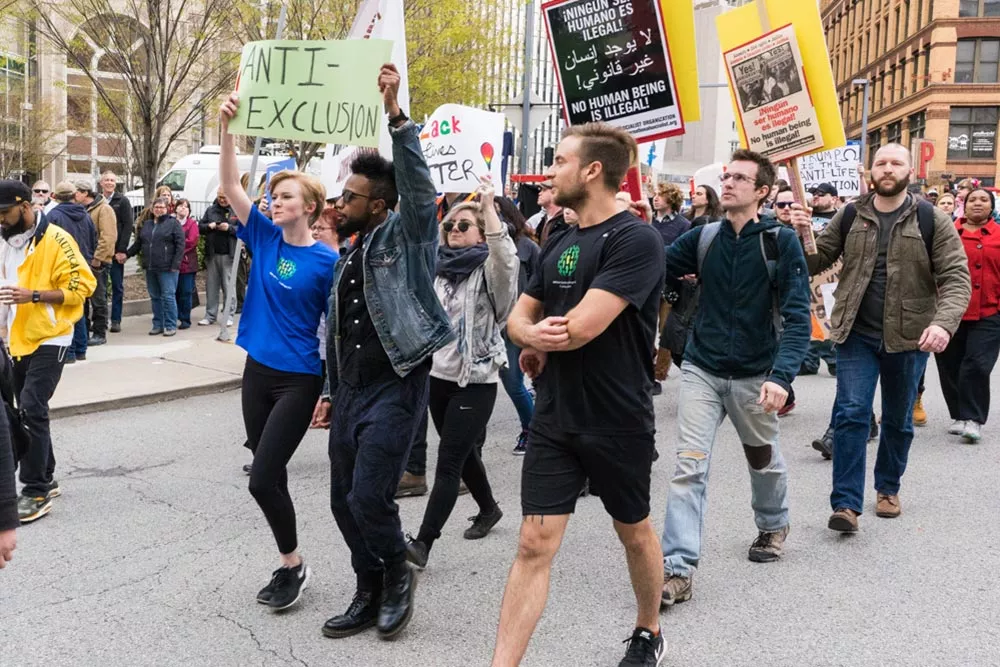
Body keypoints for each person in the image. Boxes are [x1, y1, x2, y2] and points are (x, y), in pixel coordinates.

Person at [492, 123, 667, 667]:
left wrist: (541, 334)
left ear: (593, 171)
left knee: (633, 532)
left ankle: (648, 629)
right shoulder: (560, 239)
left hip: (617, 419)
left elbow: (581, 327)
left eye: (561, 161)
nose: (550, 172)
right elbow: (521, 314)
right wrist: (527, 335)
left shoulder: (637, 240)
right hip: (555, 416)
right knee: (532, 544)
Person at [311, 63, 452, 642]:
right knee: (344, 500)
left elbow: (420, 189)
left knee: (371, 494)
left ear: (381, 203)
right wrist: (328, 391)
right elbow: (337, 329)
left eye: (351, 196)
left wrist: (396, 117)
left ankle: (398, 572)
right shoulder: (349, 254)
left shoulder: (408, 236)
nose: (340, 202)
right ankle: (367, 587)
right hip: (350, 390)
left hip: (397, 382)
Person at [789, 143, 971, 532]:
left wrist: (943, 323)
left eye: (896, 163)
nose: (887, 169)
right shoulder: (851, 213)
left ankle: (888, 487)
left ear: (910, 170)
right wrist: (802, 234)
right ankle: (846, 505)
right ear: (870, 171)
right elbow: (814, 261)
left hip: (909, 337)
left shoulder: (931, 218)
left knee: (898, 420)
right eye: (881, 163)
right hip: (856, 332)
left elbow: (956, 278)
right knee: (851, 414)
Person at [659, 151, 811, 608]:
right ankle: (678, 568)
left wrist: (781, 377)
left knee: (763, 460)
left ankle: (772, 523)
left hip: (754, 375)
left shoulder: (780, 242)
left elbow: (799, 317)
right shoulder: (702, 237)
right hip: (702, 371)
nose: (728, 183)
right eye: (727, 176)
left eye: (741, 179)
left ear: (762, 192)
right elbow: (653, 265)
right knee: (689, 467)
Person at [218, 95, 339, 612]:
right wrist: (227, 128)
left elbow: (336, 333)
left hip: (298, 379)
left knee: (263, 479)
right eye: (272, 194)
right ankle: (290, 562)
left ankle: (293, 566)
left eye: (285, 196)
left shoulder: (329, 262)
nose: (274, 202)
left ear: (309, 207)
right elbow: (229, 187)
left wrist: (330, 391)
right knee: (268, 472)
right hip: (256, 371)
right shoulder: (265, 238)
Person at [404, 178, 518, 570]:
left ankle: (422, 544)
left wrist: (487, 209)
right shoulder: (438, 267)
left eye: (463, 226)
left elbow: (505, 258)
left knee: (448, 461)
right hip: (438, 376)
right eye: (450, 226)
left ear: (480, 232)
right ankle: (489, 508)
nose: (454, 231)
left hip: (477, 379)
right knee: (464, 451)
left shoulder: (491, 273)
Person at [0, 180, 96, 523]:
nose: (0, 219)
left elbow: (83, 285)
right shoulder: (6, 242)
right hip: (18, 337)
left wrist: (35, 295)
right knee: (25, 409)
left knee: (31, 405)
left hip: (52, 336)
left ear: (25, 205)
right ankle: (48, 473)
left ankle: (36, 489)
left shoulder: (56, 239)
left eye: (4, 212)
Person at [934, 187, 1000, 443]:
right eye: (973, 199)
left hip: (989, 311)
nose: (978, 204)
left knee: (976, 365)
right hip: (951, 311)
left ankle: (973, 418)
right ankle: (959, 415)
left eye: (984, 200)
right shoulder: (948, 233)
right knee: (949, 364)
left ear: (991, 206)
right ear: (964, 204)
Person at [495, 196, 539, 454]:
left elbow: (539, 285)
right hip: (490, 324)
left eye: (498, 211)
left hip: (515, 323)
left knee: (513, 382)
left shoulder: (527, 247)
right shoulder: (483, 245)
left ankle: (531, 430)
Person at [118, 198, 184, 336]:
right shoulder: (147, 224)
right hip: (150, 267)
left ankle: (170, 325)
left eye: (162, 207)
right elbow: (139, 244)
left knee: (168, 296)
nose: (159, 209)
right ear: (152, 209)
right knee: (155, 297)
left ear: (167, 209)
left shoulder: (173, 224)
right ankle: (157, 324)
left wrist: (175, 265)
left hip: (167, 268)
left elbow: (180, 246)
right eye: (156, 207)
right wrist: (127, 255)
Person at [45, 182, 96, 364]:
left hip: (63, 268)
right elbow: (93, 239)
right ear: (74, 195)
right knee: (79, 306)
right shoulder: (85, 215)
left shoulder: (53, 216)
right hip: (83, 264)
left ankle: (70, 351)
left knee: (66, 308)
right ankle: (81, 348)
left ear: (56, 196)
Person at [75, 180, 117, 347]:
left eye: (76, 192)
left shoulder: (104, 209)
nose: (74, 195)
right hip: (84, 260)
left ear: (85, 193)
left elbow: (108, 237)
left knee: (98, 298)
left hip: (97, 262)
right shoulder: (84, 209)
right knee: (85, 298)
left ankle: (100, 332)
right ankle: (85, 331)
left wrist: (97, 259)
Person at [198, 188, 237, 327]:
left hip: (229, 254)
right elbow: (200, 227)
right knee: (211, 286)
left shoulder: (236, 210)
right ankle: (210, 315)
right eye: (220, 197)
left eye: (225, 197)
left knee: (228, 286)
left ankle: (228, 315)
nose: (222, 200)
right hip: (212, 253)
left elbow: (245, 230)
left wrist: (230, 228)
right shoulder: (211, 210)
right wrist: (209, 226)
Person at [101, 171, 134, 334]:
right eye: (106, 180)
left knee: (117, 287)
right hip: (100, 252)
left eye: (112, 180)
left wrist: (122, 250)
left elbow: (128, 226)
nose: (109, 183)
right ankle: (101, 321)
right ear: (101, 183)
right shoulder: (97, 201)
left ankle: (115, 320)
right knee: (100, 288)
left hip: (115, 253)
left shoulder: (123, 201)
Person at [173, 199, 200, 330]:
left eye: (186, 207)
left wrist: (177, 248)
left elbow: (191, 241)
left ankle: (185, 319)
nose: (183, 208)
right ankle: (176, 315)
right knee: (175, 291)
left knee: (185, 292)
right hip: (172, 264)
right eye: (180, 206)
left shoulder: (192, 224)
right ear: (175, 208)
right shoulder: (171, 223)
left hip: (187, 264)